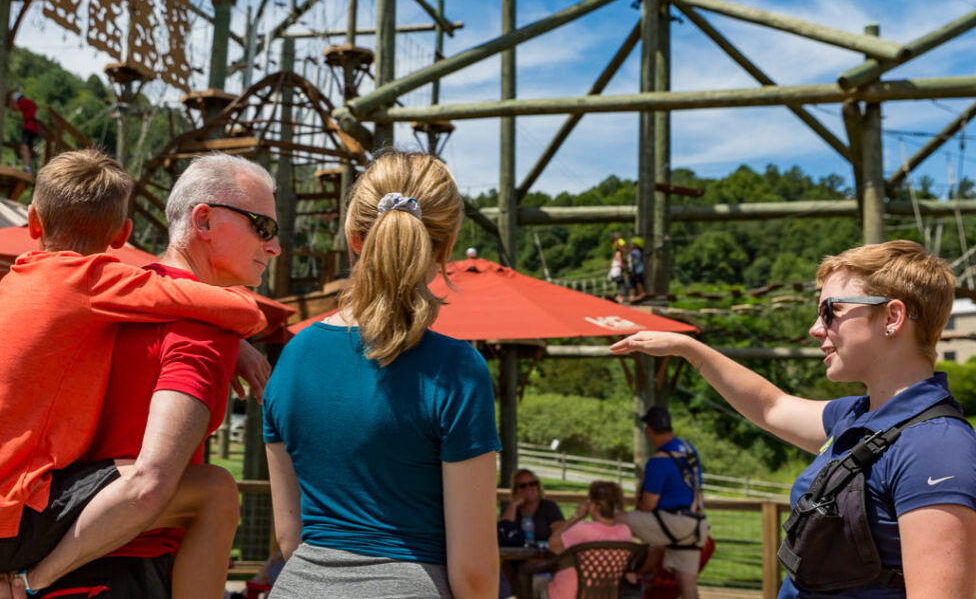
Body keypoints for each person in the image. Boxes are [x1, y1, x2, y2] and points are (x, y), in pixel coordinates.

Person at [611, 240, 976, 598]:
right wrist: (687, 349)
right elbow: (771, 407)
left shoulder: (935, 447)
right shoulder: (855, 417)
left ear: (892, 317)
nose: (815, 329)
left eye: (829, 311)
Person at [0, 150, 268, 596]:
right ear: (123, 234)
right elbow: (239, 307)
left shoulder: (14, 282)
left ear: (33, 222)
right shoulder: (95, 281)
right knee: (216, 490)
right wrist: (235, 337)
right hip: (16, 520)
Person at [264, 151, 500, 598]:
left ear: (355, 238)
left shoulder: (293, 356)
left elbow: (290, 538)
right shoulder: (458, 370)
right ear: (446, 248)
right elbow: (473, 572)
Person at [623, 406, 708, 599]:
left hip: (675, 523)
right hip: (698, 525)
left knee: (617, 519)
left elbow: (647, 506)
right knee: (688, 588)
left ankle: (617, 573)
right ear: (670, 427)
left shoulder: (658, 461)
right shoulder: (688, 448)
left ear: (649, 431)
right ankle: (635, 573)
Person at [539, 481, 633, 599]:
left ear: (593, 506)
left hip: (568, 595)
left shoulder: (582, 529)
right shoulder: (625, 532)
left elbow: (553, 545)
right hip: (604, 595)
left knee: (537, 582)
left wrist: (576, 516)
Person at [499, 469, 565, 544]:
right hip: (514, 554)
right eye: (522, 486)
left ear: (538, 486)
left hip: (545, 553)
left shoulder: (549, 506)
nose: (528, 488)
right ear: (516, 490)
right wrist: (513, 504)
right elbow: (504, 532)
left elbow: (561, 533)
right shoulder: (509, 509)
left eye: (532, 483)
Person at [10, 90, 39, 174]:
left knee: (24, 147)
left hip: (29, 126)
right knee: (26, 148)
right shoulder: (31, 103)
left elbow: (15, 108)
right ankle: (28, 167)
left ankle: (27, 168)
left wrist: (9, 100)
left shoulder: (24, 102)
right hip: (33, 127)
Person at [608, 236, 628, 304]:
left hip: (615, 274)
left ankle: (616, 298)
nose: (624, 248)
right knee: (624, 288)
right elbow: (621, 264)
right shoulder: (618, 253)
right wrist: (628, 269)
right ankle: (618, 300)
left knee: (621, 287)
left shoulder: (618, 253)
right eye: (623, 247)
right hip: (617, 273)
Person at [628, 237, 647, 302]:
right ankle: (632, 296)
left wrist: (620, 248)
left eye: (632, 244)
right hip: (632, 271)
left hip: (637, 271)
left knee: (638, 282)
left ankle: (641, 293)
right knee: (632, 284)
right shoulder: (634, 252)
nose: (630, 245)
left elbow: (630, 254)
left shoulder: (636, 251)